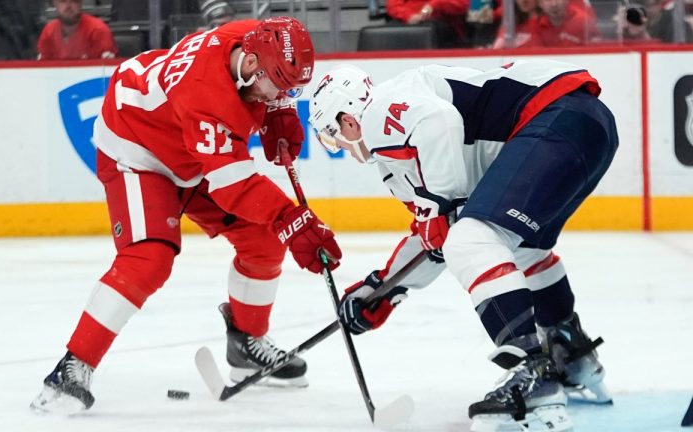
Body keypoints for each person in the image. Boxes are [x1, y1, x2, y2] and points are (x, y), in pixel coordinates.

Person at [30, 17, 342, 414]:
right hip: (137, 148)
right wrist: (291, 219)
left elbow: (241, 135)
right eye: (274, 86)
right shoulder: (205, 93)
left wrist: (279, 109)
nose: (277, 94)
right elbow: (234, 185)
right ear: (251, 66)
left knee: (262, 239)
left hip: (189, 148)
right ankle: (72, 367)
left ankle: (246, 342)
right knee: (149, 259)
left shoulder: (251, 40)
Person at [308, 61, 617, 431]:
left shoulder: (381, 110)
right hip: (587, 125)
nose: (340, 144)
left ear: (347, 120)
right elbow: (433, 236)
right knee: (522, 250)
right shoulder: (399, 144)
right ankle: (569, 351)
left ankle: (533, 376)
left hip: (554, 118)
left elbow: (440, 123)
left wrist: (443, 204)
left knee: (472, 239)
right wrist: (382, 288)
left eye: (333, 133)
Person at [37, 0, 117, 60]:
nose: (68, 6)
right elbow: (43, 69)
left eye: (74, 0)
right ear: (55, 3)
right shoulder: (49, 31)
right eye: (63, 1)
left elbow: (104, 71)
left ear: (80, 3)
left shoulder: (98, 29)